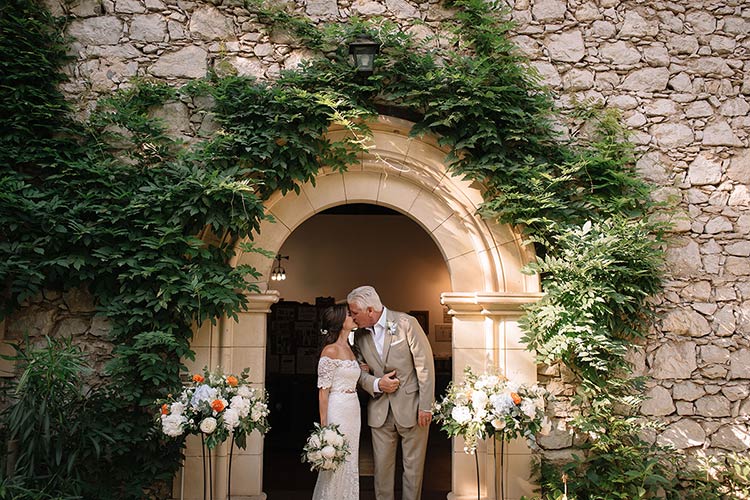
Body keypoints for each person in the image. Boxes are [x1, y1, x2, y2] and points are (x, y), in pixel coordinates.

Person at [347, 286, 435, 500]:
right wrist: (377, 383)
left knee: (413, 471)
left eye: (354, 312)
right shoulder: (358, 336)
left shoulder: (406, 323)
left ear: (370, 310)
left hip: (413, 409)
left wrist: (426, 406)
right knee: (381, 473)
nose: (351, 317)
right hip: (379, 412)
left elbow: (425, 366)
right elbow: (355, 372)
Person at [312, 304, 361, 500]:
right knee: (336, 459)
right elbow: (323, 392)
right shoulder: (330, 351)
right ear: (340, 321)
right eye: (350, 314)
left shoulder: (350, 347)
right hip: (338, 407)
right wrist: (324, 428)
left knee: (350, 460)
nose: (354, 317)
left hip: (353, 408)